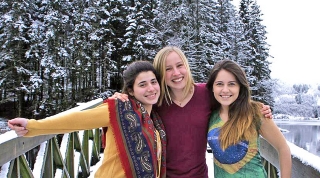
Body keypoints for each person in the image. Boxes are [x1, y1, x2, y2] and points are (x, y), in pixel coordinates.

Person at [112, 46, 273, 178]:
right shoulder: (156, 101)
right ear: (161, 73)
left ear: (186, 66)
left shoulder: (205, 94)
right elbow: (133, 103)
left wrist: (257, 107)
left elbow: (230, 97)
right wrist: (119, 98)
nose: (176, 73)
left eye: (180, 65)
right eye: (168, 69)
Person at [8, 61, 167, 178]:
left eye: (153, 82)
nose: (151, 88)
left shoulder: (153, 122)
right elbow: (76, 120)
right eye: (143, 84)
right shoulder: (120, 109)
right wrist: (32, 126)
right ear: (131, 90)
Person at [206, 59, 291, 178]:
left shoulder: (256, 113)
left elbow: (283, 148)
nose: (225, 90)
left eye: (232, 84)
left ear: (240, 87)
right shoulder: (209, 115)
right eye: (219, 84)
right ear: (212, 87)